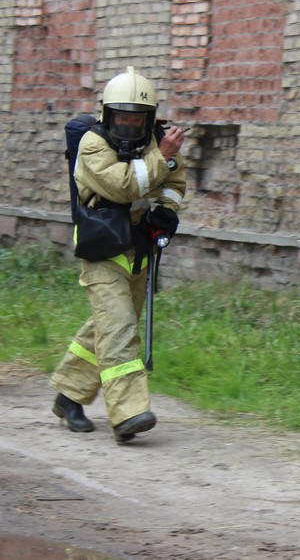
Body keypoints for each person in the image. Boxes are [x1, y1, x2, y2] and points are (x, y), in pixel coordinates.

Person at [51, 66, 187, 444]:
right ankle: (128, 414)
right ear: (107, 115)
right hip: (102, 248)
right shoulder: (92, 145)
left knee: (107, 326)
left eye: (137, 118)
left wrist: (167, 213)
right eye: (121, 117)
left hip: (139, 249)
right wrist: (162, 155)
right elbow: (124, 186)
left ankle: (68, 395)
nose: (128, 125)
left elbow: (174, 182)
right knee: (120, 330)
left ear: (149, 118)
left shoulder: (158, 144)